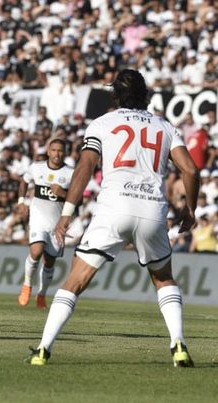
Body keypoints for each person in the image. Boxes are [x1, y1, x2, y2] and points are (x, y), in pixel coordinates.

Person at [27, 69, 199, 367]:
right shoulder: (166, 127)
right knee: (163, 278)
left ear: (115, 95)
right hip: (151, 209)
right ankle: (179, 344)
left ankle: (43, 349)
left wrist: (66, 213)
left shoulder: (102, 123)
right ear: (146, 96)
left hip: (113, 208)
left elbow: (85, 166)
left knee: (76, 281)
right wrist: (191, 210)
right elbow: (191, 170)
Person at [17, 137, 74, 309]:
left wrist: (63, 193)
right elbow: (24, 181)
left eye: (60, 151)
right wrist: (21, 201)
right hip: (38, 219)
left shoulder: (70, 173)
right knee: (36, 250)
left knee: (49, 261)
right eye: (54, 150)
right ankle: (27, 285)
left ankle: (41, 294)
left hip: (57, 224)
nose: (57, 154)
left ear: (64, 153)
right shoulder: (36, 168)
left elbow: (78, 199)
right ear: (48, 151)